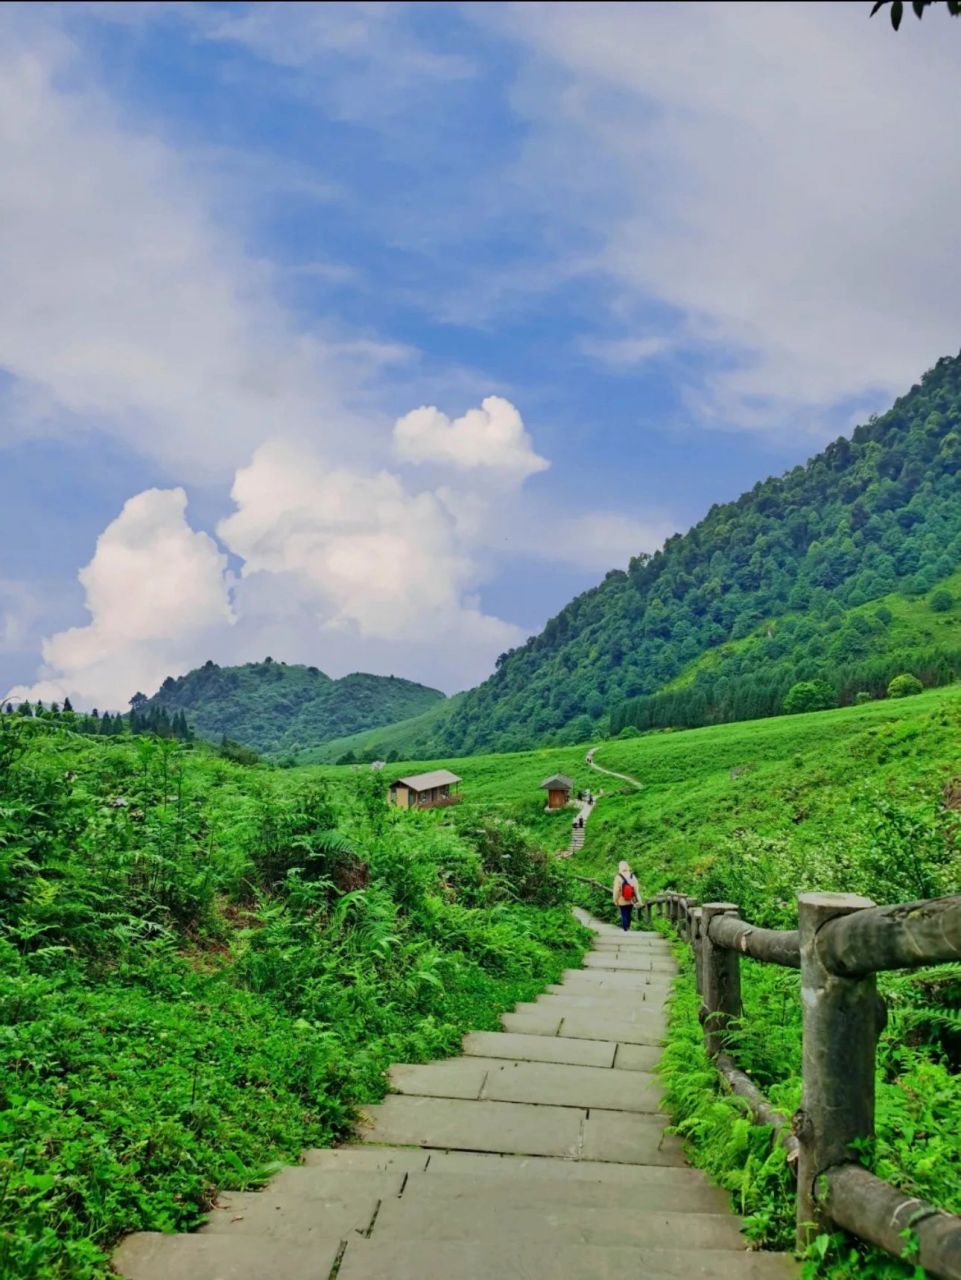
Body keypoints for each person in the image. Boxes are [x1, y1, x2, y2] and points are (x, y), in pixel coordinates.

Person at [612, 860, 639, 932]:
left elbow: (616, 890)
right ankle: (628, 927)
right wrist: (637, 899)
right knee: (629, 913)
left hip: (621, 899)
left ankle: (625, 929)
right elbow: (636, 889)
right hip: (631, 899)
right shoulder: (632, 876)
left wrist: (615, 900)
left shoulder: (618, 877)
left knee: (624, 913)